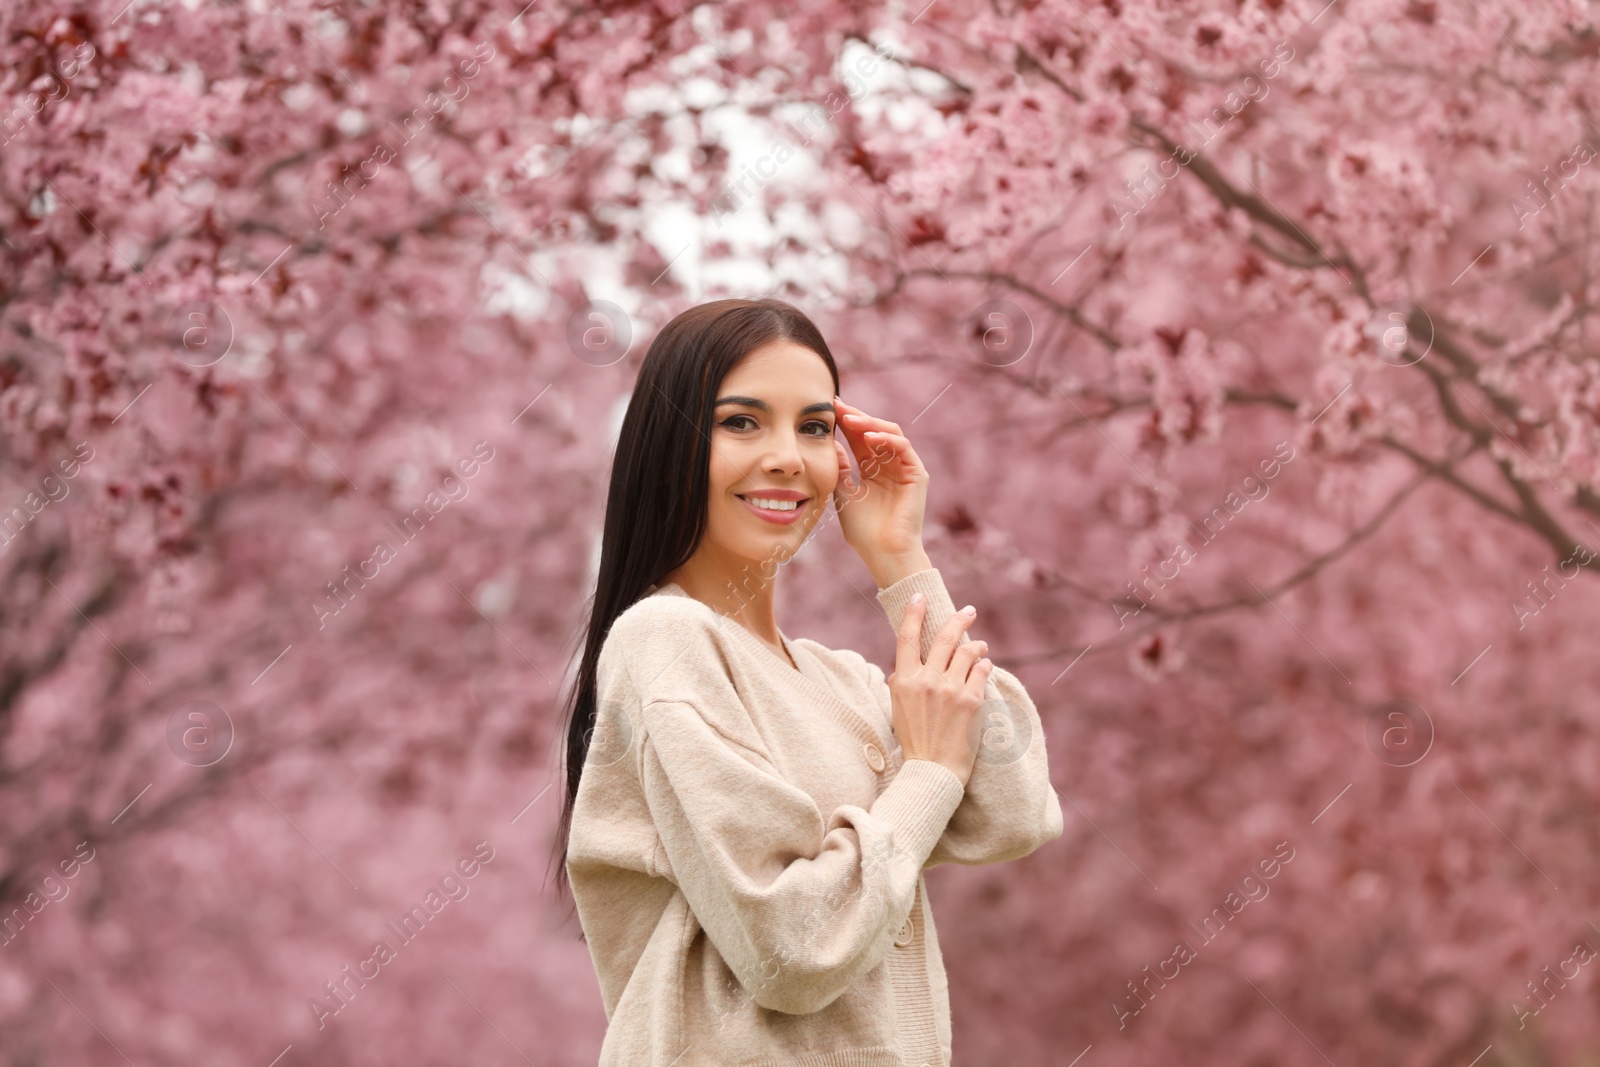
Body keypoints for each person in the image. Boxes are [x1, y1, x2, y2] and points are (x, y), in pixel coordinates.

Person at [553, 297, 1063, 1066]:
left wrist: (901, 561)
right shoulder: (664, 639)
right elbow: (790, 950)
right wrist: (925, 773)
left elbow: (1015, 808)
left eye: (815, 426)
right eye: (742, 422)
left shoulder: (837, 680)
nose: (788, 455)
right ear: (671, 443)